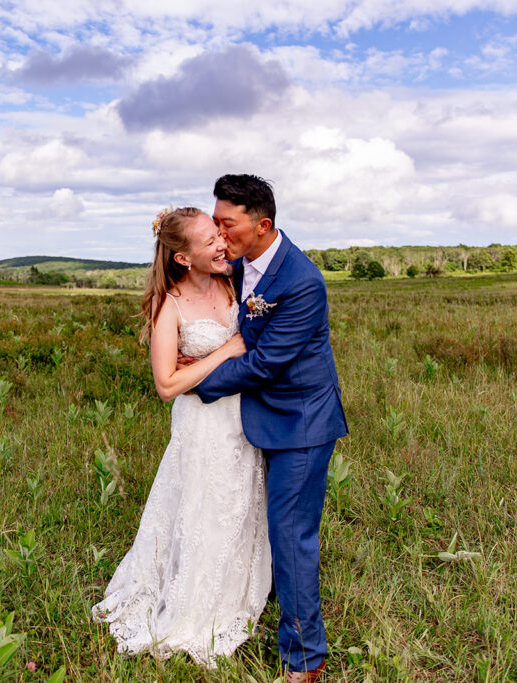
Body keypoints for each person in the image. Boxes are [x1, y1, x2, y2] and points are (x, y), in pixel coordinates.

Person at [92, 207, 271, 667]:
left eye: (219, 234)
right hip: (200, 423)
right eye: (209, 240)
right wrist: (226, 352)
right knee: (201, 505)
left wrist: (219, 360)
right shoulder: (168, 305)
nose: (220, 243)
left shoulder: (235, 281)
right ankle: (191, 600)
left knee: (240, 502)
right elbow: (167, 385)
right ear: (183, 259)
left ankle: (235, 588)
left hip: (242, 416)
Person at [196, 174, 348, 682]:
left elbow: (265, 364)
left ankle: (306, 658)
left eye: (226, 224)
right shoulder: (235, 265)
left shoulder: (302, 281)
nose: (219, 234)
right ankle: (257, 612)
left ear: (262, 225)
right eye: (214, 223)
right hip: (254, 420)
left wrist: (192, 382)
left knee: (291, 534)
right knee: (253, 524)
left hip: (300, 422)